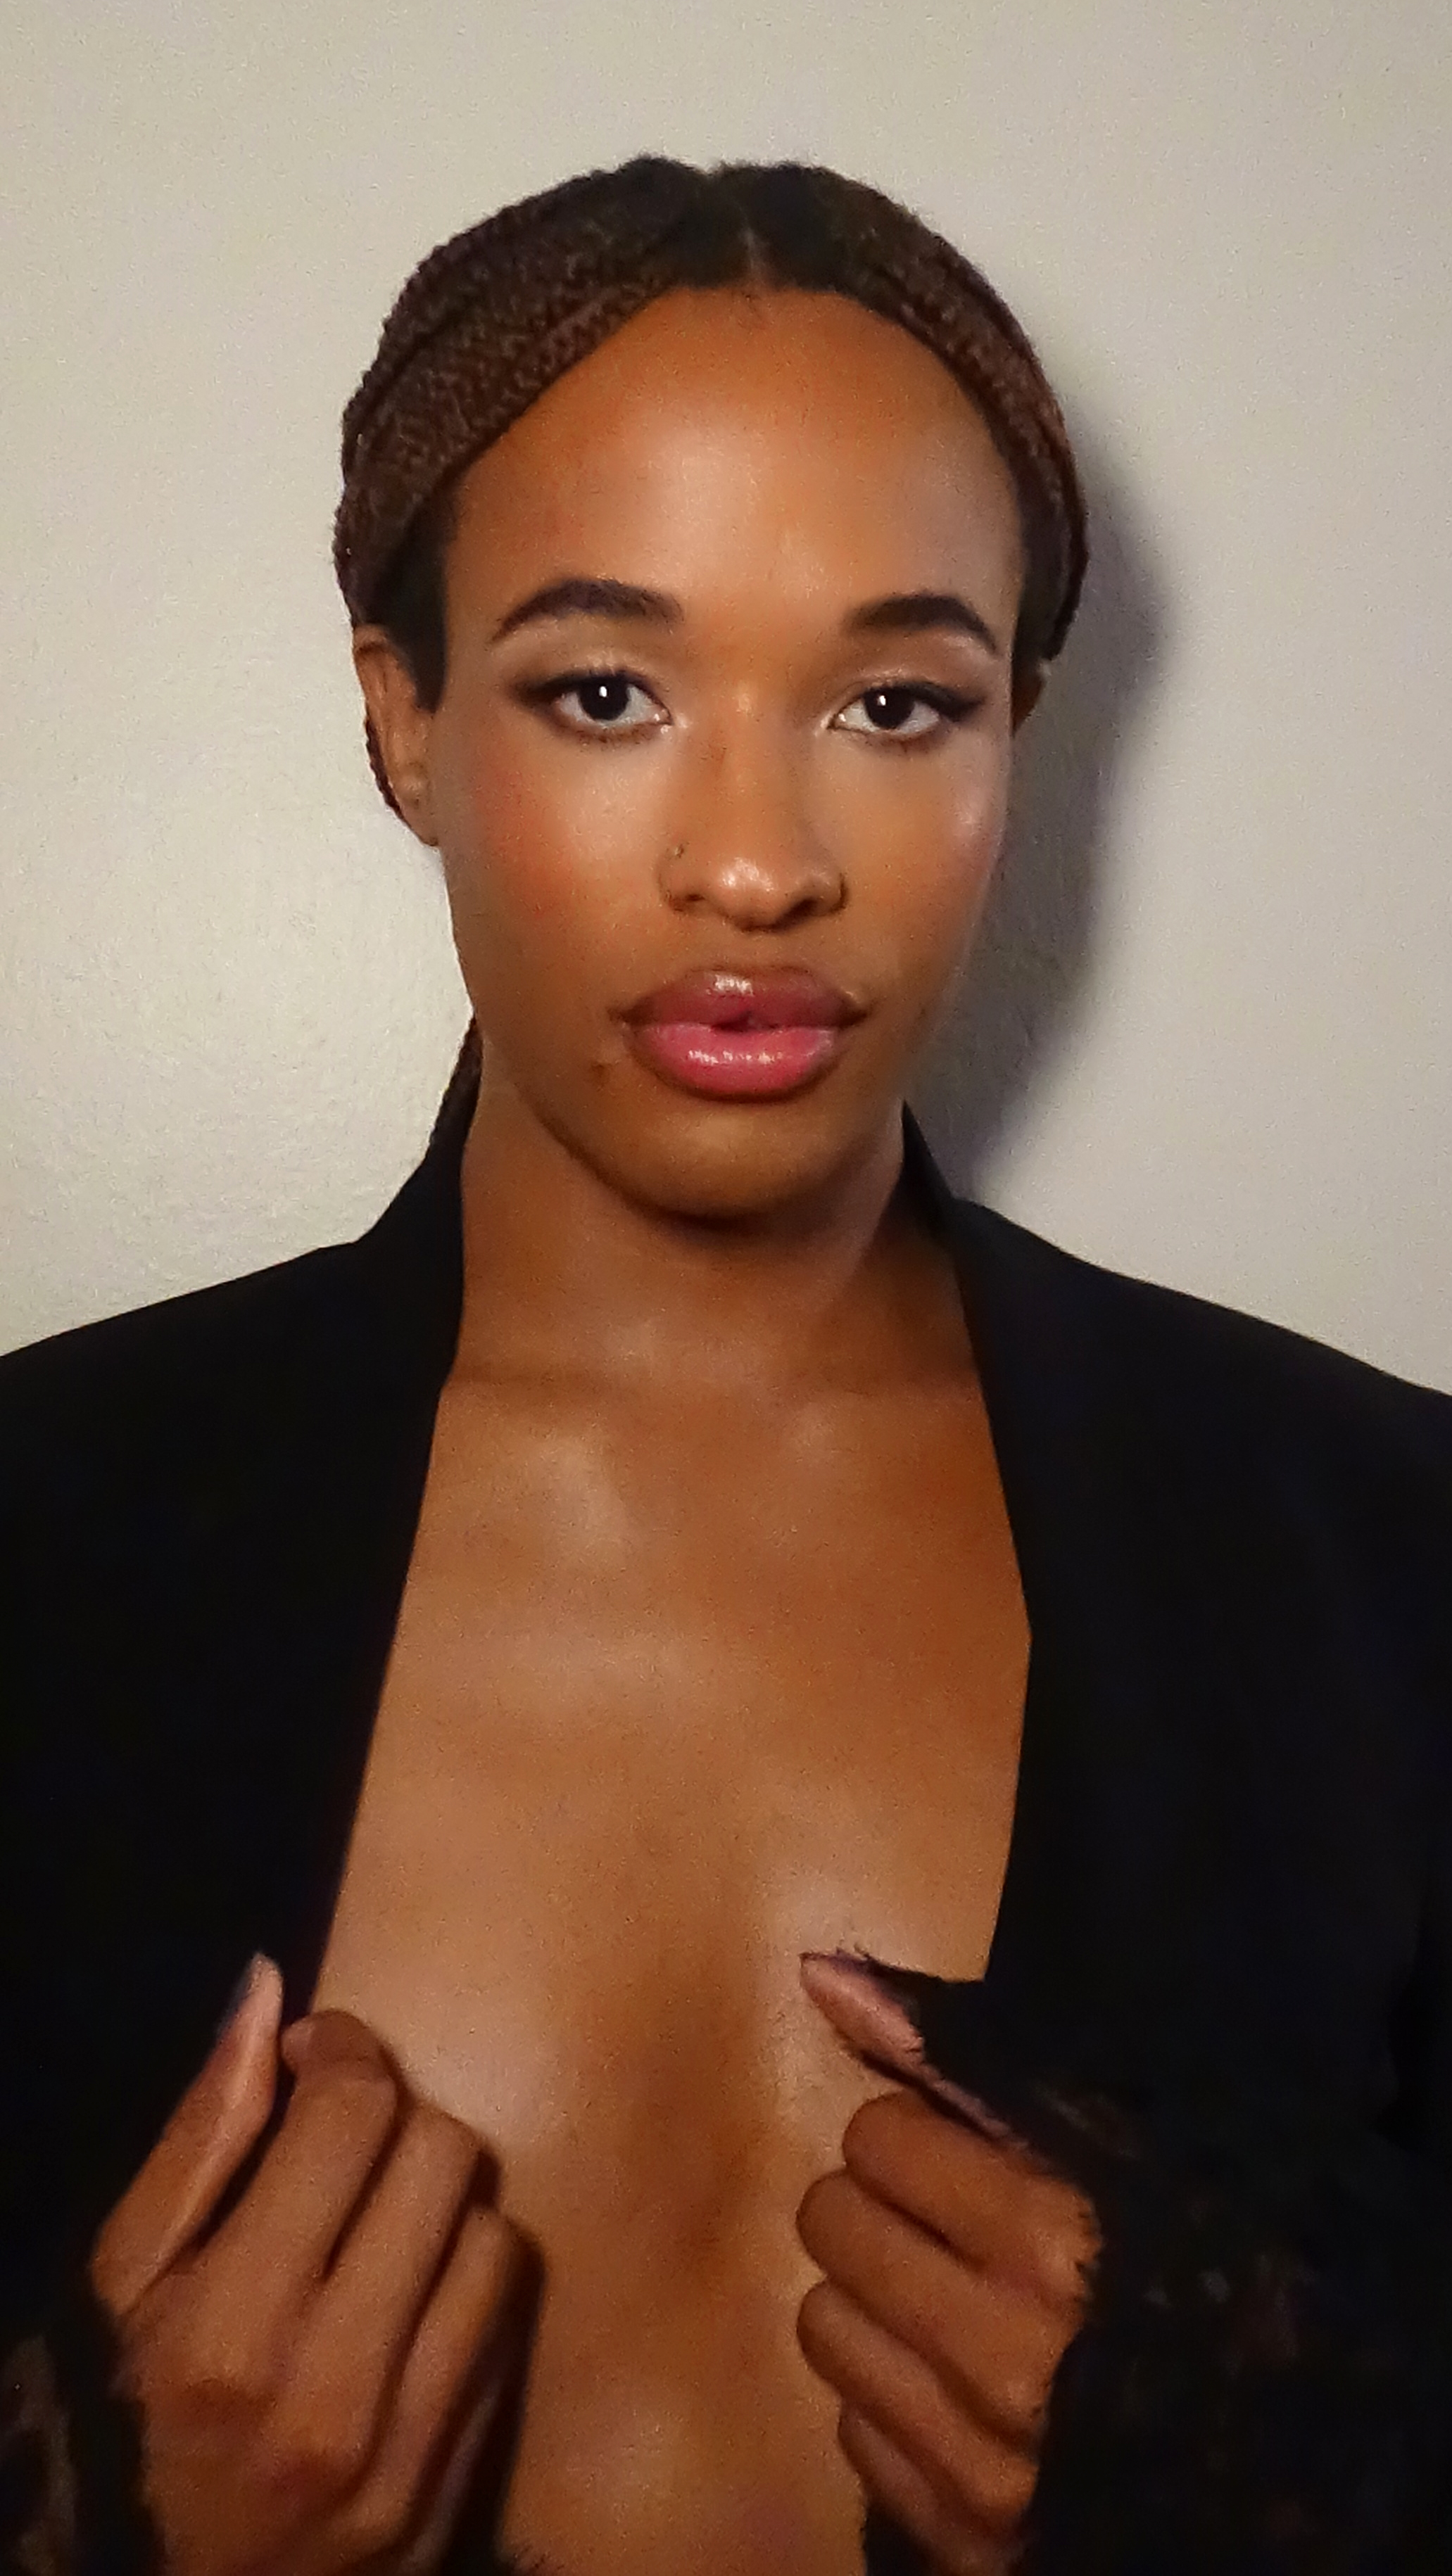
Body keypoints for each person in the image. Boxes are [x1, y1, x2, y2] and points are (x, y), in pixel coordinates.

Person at [1, 154, 1450, 2576]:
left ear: (1018, 736)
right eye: (606, 691)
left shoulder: (1392, 1556)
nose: (760, 860)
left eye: (897, 700)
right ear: (404, 721)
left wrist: (1356, 2482)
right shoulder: (38, 1540)